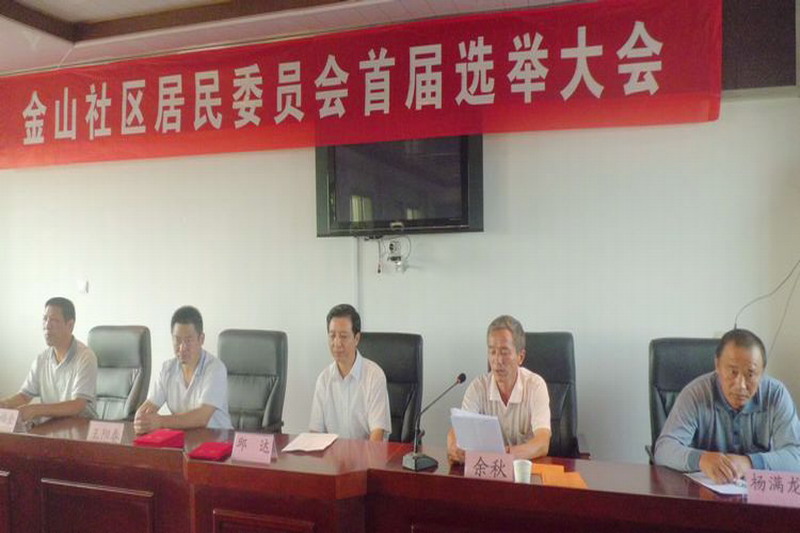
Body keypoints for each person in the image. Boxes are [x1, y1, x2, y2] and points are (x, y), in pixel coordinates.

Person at [654, 328, 800, 482]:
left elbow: (796, 455)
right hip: (704, 491)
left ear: (762, 372)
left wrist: (750, 463)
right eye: (733, 372)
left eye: (750, 374)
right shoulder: (696, 394)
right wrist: (701, 459)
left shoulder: (775, 394)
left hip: (756, 491)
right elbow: (663, 449)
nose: (741, 385)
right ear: (717, 365)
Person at [448, 315, 551, 463]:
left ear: (520, 357)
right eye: (492, 352)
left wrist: (505, 454)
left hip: (526, 470)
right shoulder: (478, 387)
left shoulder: (535, 386)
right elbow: (459, 430)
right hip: (488, 470)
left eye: (504, 352)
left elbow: (542, 443)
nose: (497, 360)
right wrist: (453, 444)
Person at [134, 305, 232, 433]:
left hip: (217, 439)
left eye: (188, 340)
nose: (182, 348)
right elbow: (149, 406)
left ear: (201, 339)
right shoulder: (167, 369)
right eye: (177, 340)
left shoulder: (215, 369)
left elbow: (201, 417)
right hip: (183, 439)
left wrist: (160, 421)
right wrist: (141, 419)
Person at [0, 297, 97, 423]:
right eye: (45, 319)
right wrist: (4, 404)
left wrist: (36, 409)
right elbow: (24, 396)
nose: (47, 325)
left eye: (54, 320)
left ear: (70, 325)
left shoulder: (85, 357)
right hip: (50, 428)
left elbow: (77, 405)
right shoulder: (42, 359)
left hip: (79, 427)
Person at [309, 304, 391, 441]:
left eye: (343, 336)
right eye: (332, 336)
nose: (337, 343)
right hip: (333, 454)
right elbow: (315, 432)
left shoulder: (374, 376)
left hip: (367, 453)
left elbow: (377, 435)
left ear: (356, 338)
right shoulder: (323, 379)